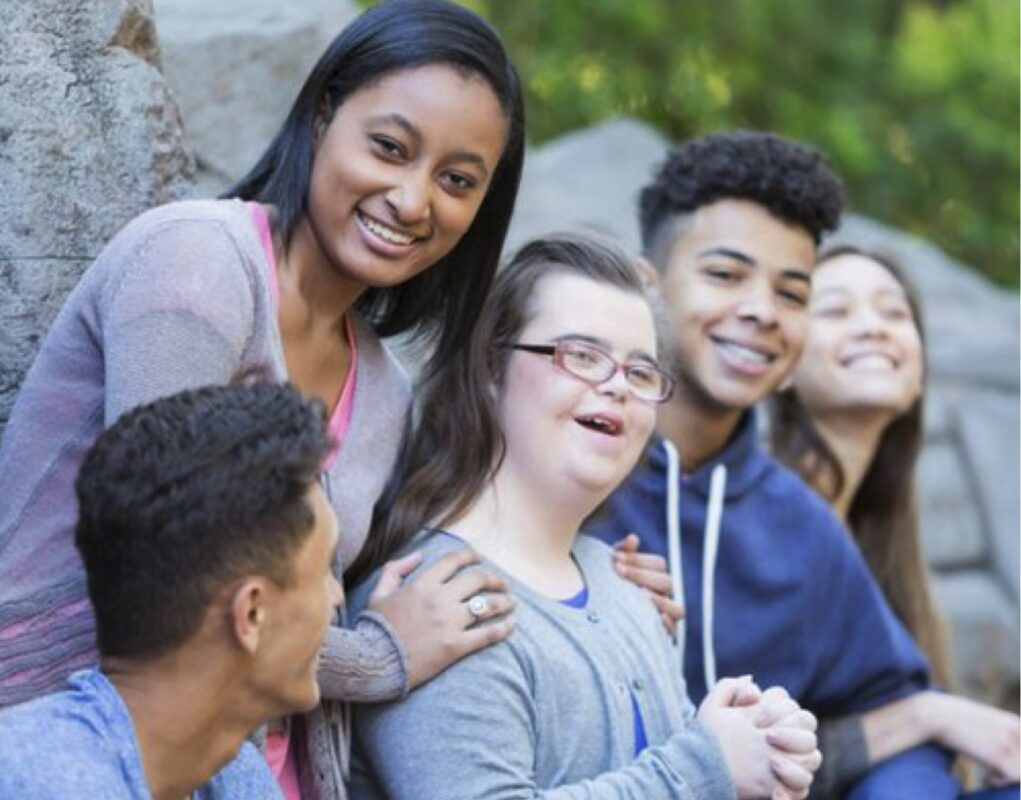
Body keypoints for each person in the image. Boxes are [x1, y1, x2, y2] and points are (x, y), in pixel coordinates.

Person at [0, 2, 524, 797]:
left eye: (457, 181)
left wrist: (616, 576)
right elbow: (173, 581)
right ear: (322, 113)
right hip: (78, 741)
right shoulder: (196, 268)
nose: (414, 201)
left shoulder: (384, 388)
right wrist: (379, 658)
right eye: (388, 148)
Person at [346, 234, 823, 800]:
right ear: (490, 369)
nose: (617, 386)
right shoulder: (437, 600)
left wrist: (756, 751)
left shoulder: (625, 588)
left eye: (641, 373)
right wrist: (709, 764)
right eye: (582, 356)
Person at [586, 130, 965, 798]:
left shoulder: (800, 528)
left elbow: (899, 713)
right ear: (646, 284)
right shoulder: (566, 466)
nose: (761, 311)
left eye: (792, 293)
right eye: (725, 275)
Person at [0, 382, 340, 799]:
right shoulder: (40, 780)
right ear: (251, 614)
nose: (337, 596)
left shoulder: (236, 778)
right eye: (324, 570)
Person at [768, 246, 1020, 797]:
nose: (873, 328)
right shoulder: (750, 526)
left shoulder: (882, 540)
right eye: (835, 311)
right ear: (780, 364)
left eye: (894, 312)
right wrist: (926, 716)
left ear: (922, 371)